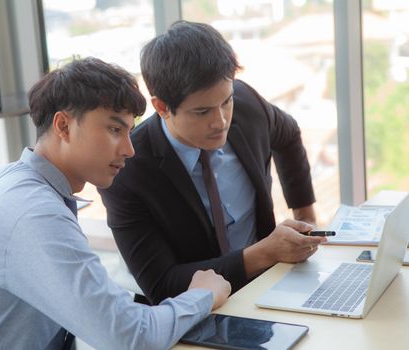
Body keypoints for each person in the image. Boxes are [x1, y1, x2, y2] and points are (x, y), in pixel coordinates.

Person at [0, 57, 231, 350]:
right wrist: (202, 295)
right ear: (63, 126)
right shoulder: (34, 212)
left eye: (129, 131)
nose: (129, 149)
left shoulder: (18, 182)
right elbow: (131, 338)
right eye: (115, 130)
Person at [98, 20, 327, 305]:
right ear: (162, 107)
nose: (220, 122)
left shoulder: (245, 104)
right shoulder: (128, 170)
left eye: (225, 103)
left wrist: (305, 215)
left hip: (269, 288)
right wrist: (266, 252)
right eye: (202, 111)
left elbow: (288, 133)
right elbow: (162, 284)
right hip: (191, 312)